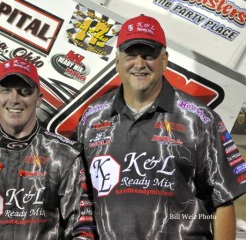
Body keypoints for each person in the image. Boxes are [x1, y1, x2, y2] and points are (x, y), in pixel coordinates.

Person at [74, 14, 246, 239]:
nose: (139, 64)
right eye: (131, 55)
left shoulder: (200, 120)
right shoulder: (92, 118)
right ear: (117, 62)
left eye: (149, 55)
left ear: (164, 60)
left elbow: (223, 201)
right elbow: (76, 197)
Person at [0, 57, 96, 239]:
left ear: (39, 99)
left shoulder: (65, 155)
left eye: (24, 91)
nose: (15, 99)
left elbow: (83, 228)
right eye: (6, 91)